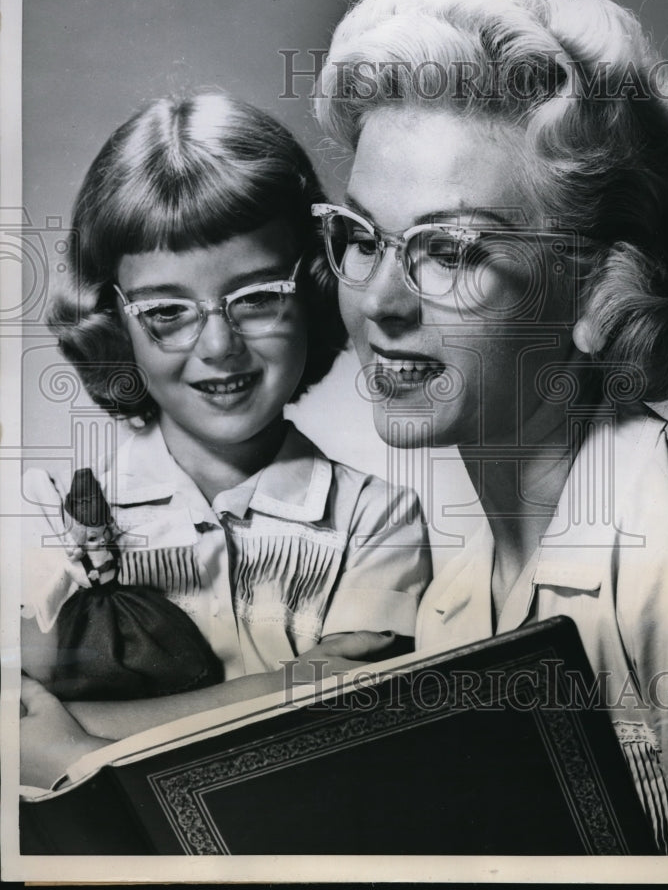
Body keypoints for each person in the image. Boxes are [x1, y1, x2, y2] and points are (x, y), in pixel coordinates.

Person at [310, 0, 668, 854]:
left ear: (599, 290)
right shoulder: (459, 590)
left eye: (452, 251)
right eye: (361, 238)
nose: (382, 301)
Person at [20, 92, 430, 788]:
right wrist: (292, 687)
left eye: (258, 297)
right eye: (167, 311)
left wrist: (81, 741)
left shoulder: (374, 520)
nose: (218, 345)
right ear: (114, 320)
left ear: (315, 286)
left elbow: (346, 714)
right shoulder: (56, 512)